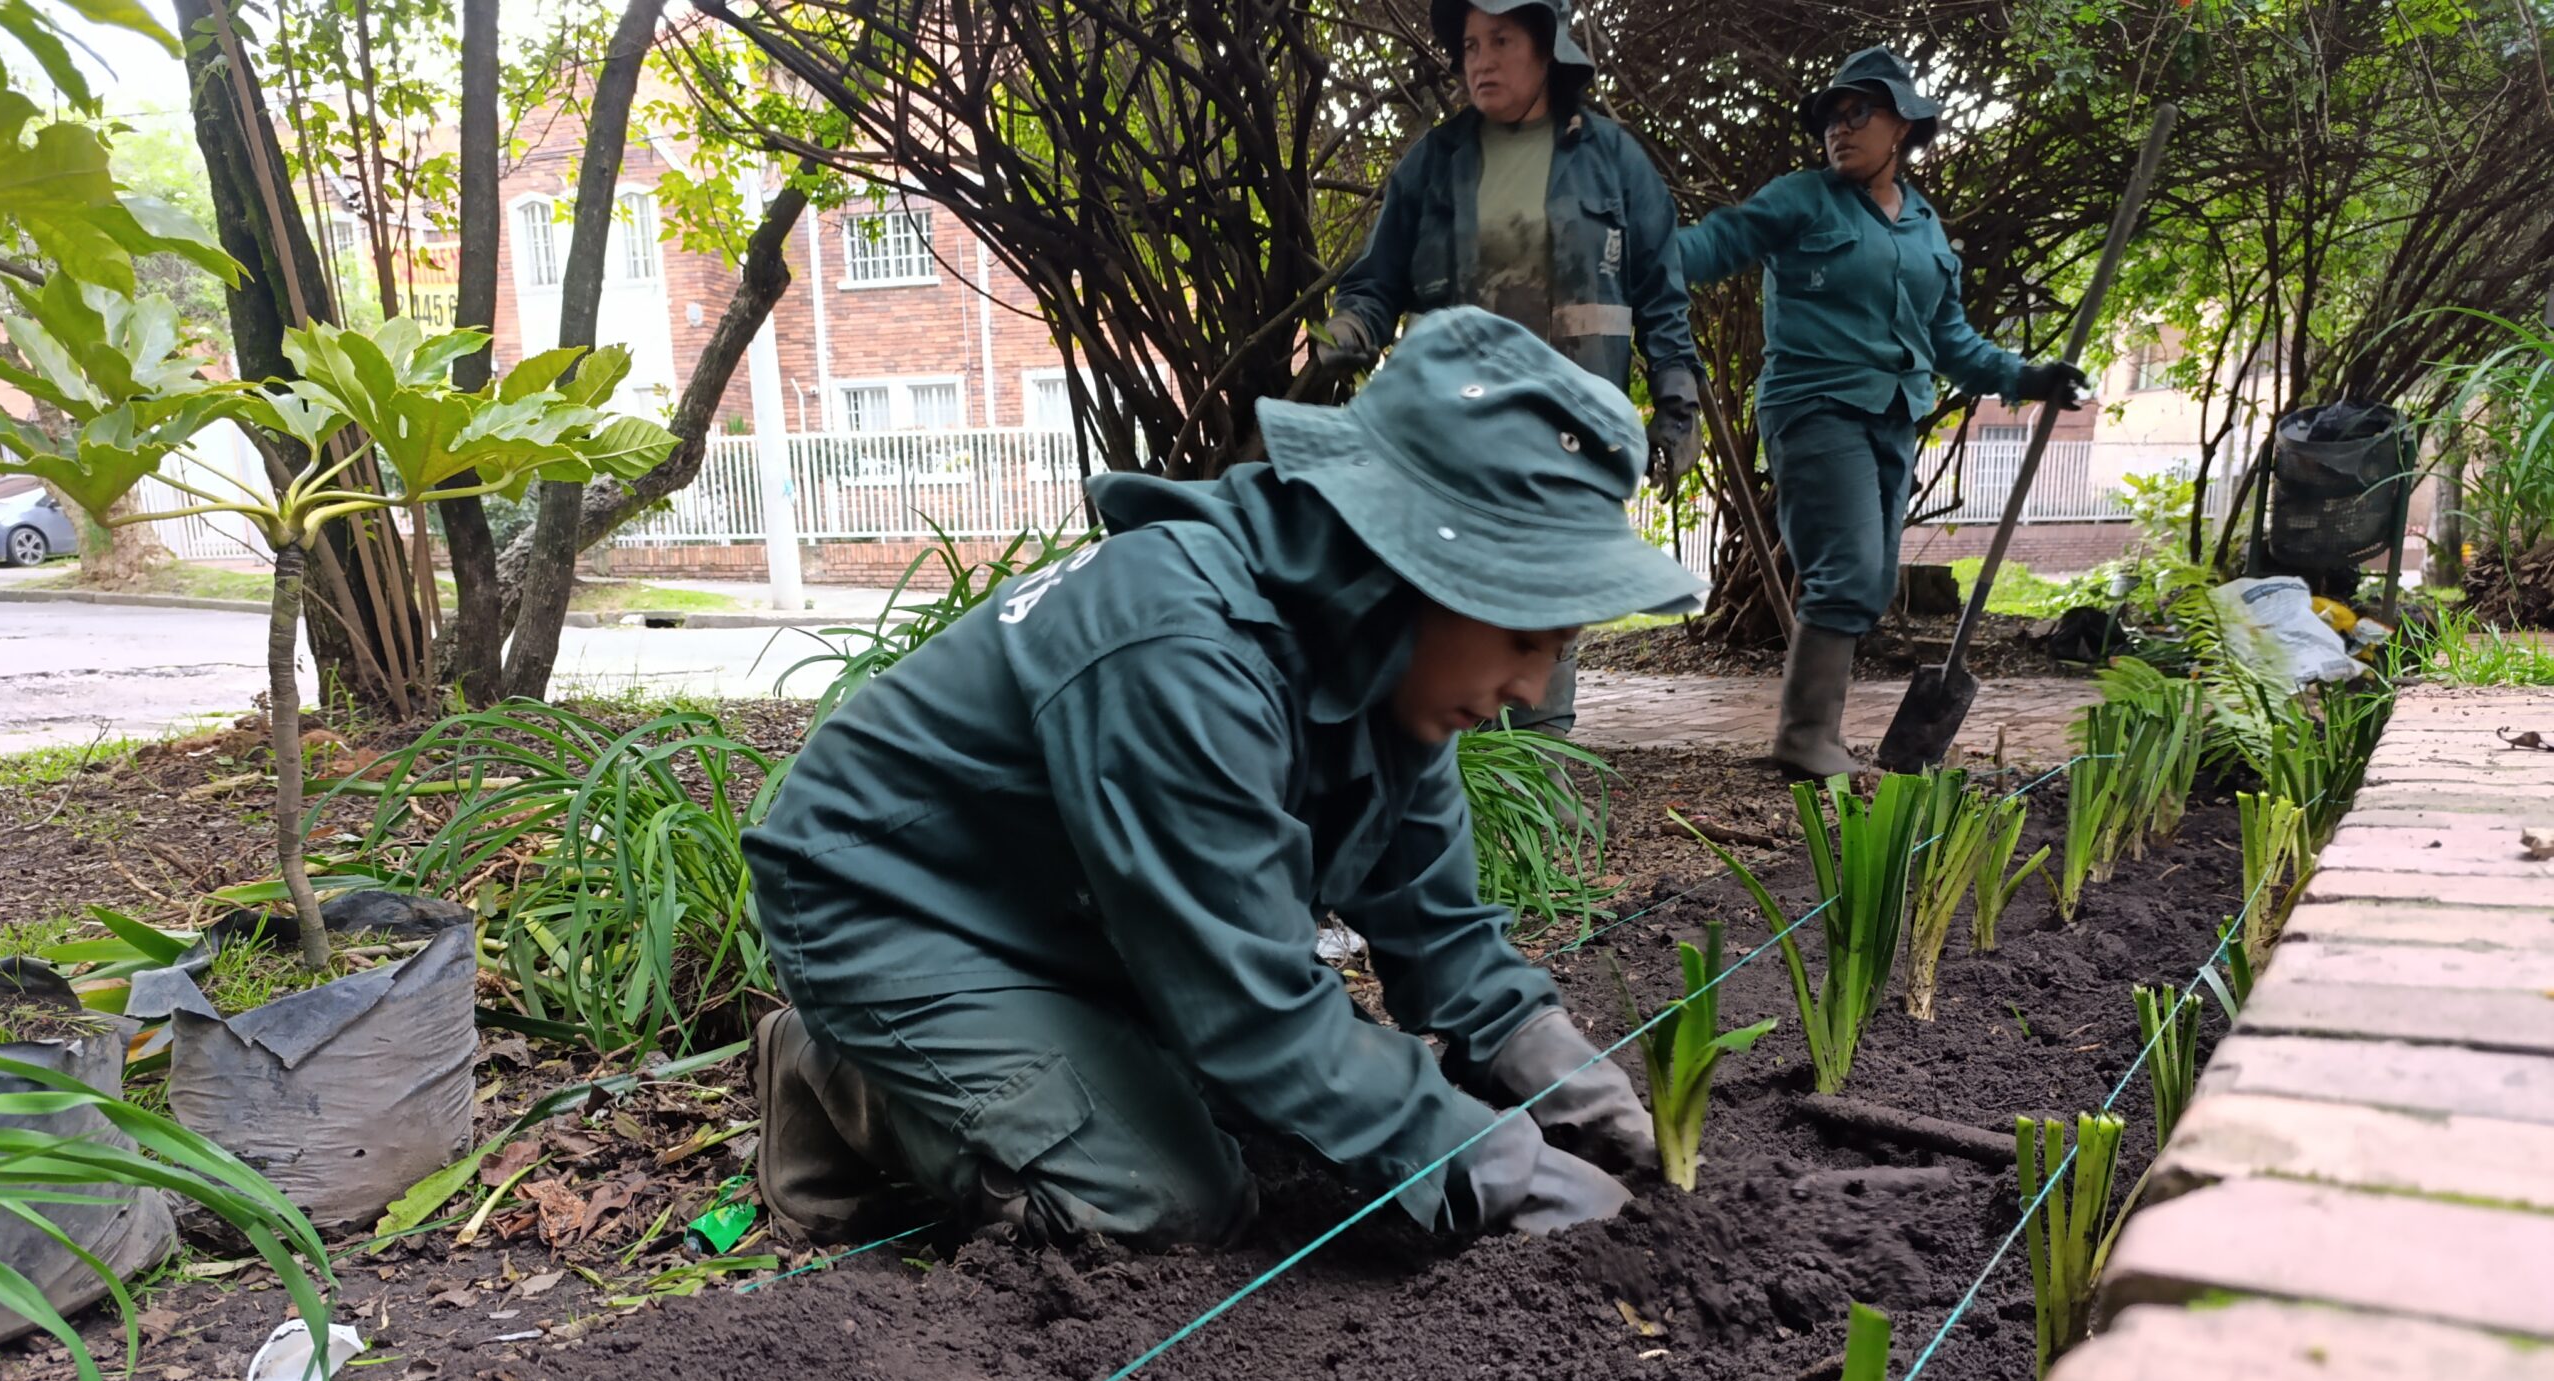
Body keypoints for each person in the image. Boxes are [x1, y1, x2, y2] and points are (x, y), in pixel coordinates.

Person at [742, 308, 1700, 1252]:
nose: (1529, 687)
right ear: (1412, 566)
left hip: (1074, 909)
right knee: (1162, 1202)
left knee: (1280, 1124)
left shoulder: (1385, 668)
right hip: (889, 903)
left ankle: (1043, 1050)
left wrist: (1568, 1084)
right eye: (1523, 636)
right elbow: (1252, 1011)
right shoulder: (1183, 652)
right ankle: (837, 1076)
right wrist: (1501, 1172)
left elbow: (1438, 928)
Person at [1676, 46, 2090, 776]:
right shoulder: (1801, 198)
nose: (1841, 127)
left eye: (1858, 111)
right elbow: (1713, 245)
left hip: (1893, 414)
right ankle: (1805, 740)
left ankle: (1816, 737)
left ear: (1902, 125)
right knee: (1849, 571)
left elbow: (1952, 341)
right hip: (1815, 405)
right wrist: (1632, 253)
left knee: (1866, 579)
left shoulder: (1924, 226)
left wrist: (2030, 377)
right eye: (1832, 116)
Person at [1321, 0, 1702, 735]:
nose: (1480, 61)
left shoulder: (1615, 161)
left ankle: (1536, 799)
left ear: (1547, 51)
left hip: (1569, 436)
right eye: (1469, 45)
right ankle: (1445, 787)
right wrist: (1348, 330)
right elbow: (1375, 284)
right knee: (1448, 611)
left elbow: (1662, 295)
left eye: (1500, 41)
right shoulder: (1435, 162)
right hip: (1455, 431)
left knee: (1544, 615)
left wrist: (1675, 405)